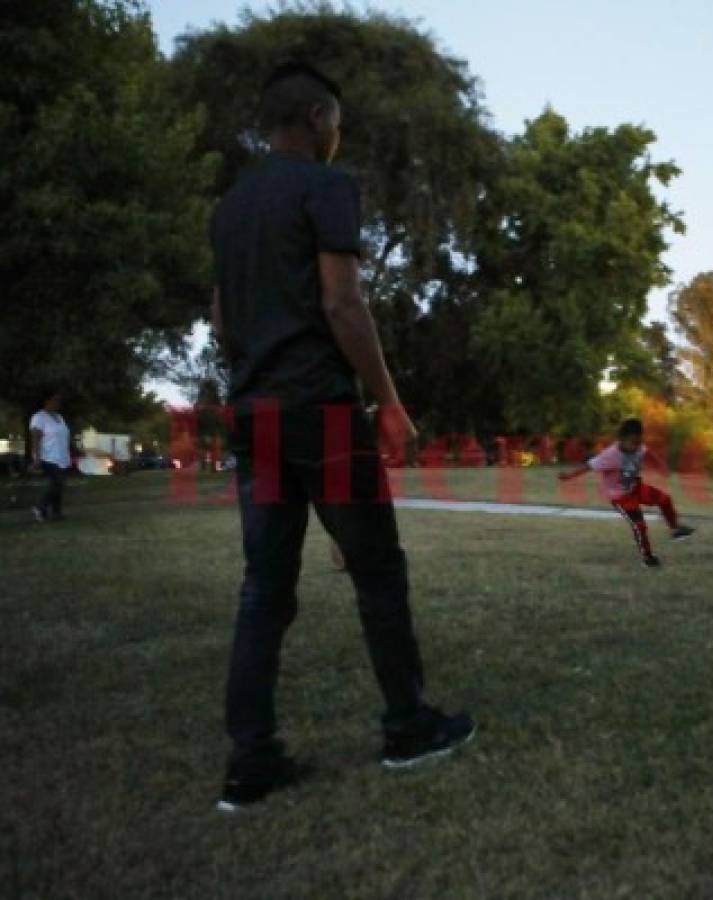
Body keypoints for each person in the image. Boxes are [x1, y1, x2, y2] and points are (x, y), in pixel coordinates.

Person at [209, 62, 474, 813]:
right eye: (340, 124)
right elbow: (343, 302)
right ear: (321, 119)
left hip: (253, 411)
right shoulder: (327, 185)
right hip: (319, 410)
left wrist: (257, 375)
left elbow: (225, 321)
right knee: (376, 570)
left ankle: (250, 765)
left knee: (264, 587)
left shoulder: (229, 208)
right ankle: (407, 727)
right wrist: (386, 401)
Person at [558, 418, 695, 567]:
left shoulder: (639, 447)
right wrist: (569, 476)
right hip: (621, 497)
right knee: (640, 525)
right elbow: (588, 466)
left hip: (636, 487)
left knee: (665, 499)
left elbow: (648, 454)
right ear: (621, 440)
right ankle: (648, 558)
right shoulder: (610, 455)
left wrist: (661, 467)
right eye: (633, 442)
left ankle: (675, 529)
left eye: (638, 442)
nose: (636, 446)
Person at [29, 391, 70, 522]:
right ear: (47, 401)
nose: (58, 403)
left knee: (58, 484)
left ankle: (56, 512)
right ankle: (39, 507)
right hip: (48, 456)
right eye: (55, 400)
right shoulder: (39, 417)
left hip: (62, 457)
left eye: (59, 400)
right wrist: (36, 457)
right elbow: (35, 438)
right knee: (58, 482)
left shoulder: (60, 417)